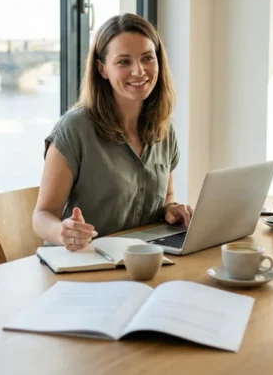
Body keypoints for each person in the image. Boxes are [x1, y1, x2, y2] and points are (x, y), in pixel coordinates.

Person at [32, 14, 194, 251]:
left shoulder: (164, 128)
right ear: (102, 69)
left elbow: (167, 196)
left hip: (141, 262)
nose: (139, 71)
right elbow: (42, 215)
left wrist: (172, 209)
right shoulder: (74, 129)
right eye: (123, 62)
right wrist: (62, 231)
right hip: (82, 264)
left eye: (148, 58)